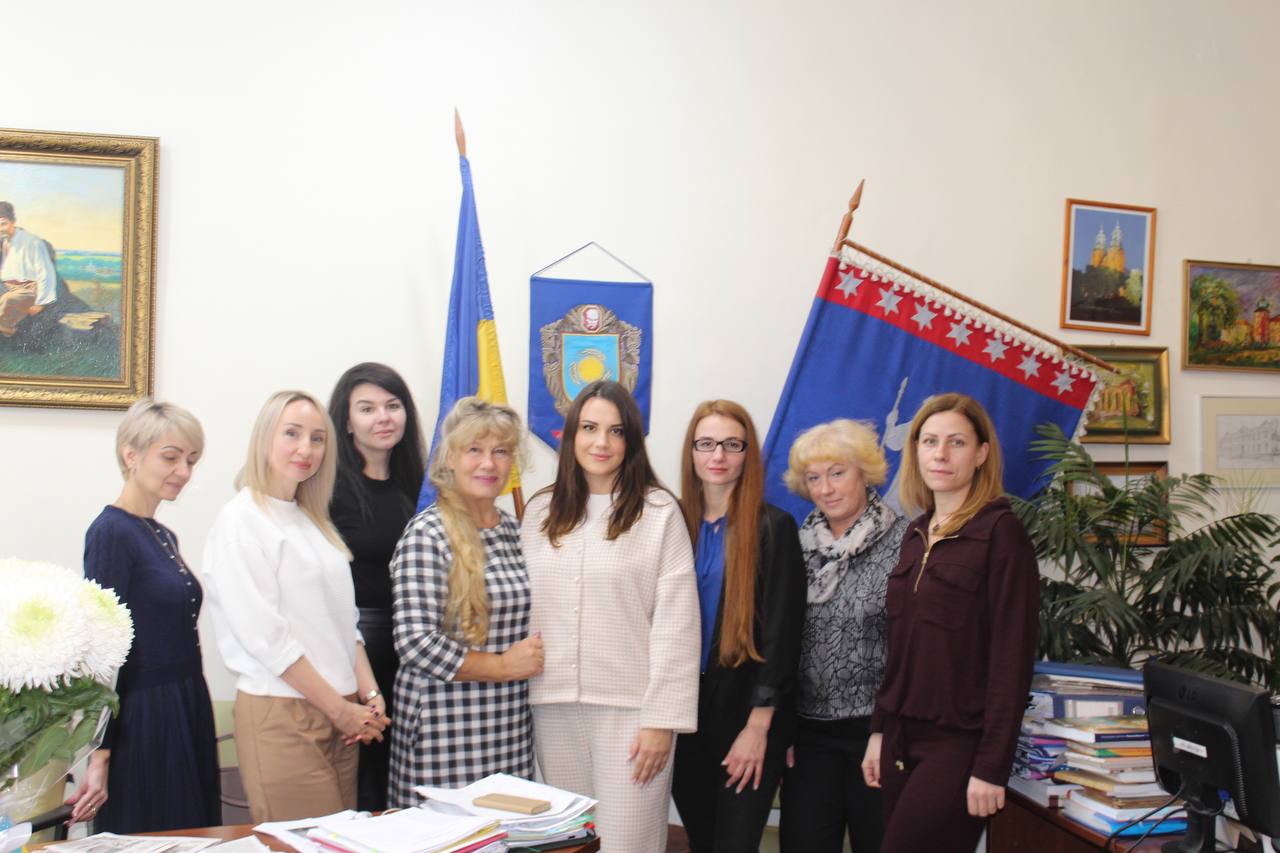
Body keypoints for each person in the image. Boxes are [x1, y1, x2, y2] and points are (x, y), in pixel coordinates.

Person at [521, 380, 700, 853]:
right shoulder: (539, 512)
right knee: (570, 843)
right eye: (589, 428)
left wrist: (662, 721)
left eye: (616, 431)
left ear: (631, 440)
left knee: (627, 843)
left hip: (632, 714)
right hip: (553, 707)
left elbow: (677, 625)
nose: (601, 442)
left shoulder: (659, 512)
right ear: (570, 435)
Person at [861, 393, 1039, 853]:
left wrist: (991, 766)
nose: (940, 454)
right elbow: (898, 649)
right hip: (900, 738)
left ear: (981, 454)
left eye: (956, 442)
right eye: (929, 441)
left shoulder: (1001, 534)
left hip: (959, 743)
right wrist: (879, 731)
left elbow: (1012, 660)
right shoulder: (914, 533)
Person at [202, 390, 389, 822]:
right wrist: (340, 710)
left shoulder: (310, 520)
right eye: (292, 434)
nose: (306, 449)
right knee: (304, 844)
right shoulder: (241, 521)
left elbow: (344, 624)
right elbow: (266, 639)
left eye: (317, 438)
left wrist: (370, 694)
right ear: (265, 438)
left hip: (342, 713)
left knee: (341, 842)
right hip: (284, 714)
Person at [70, 399, 220, 832]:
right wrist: (100, 754)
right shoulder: (110, 532)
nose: (183, 471)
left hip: (187, 703)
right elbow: (104, 651)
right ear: (131, 455)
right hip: (143, 715)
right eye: (171, 457)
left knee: (192, 833)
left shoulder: (162, 534)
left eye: (191, 460)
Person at [387, 397, 541, 804]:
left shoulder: (517, 532)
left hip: (507, 724)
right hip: (443, 728)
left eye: (501, 451)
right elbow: (415, 642)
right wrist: (502, 666)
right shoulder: (427, 534)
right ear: (450, 458)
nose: (488, 464)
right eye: (474, 450)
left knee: (507, 829)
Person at [670, 400, 806, 853]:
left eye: (732, 444)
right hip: (685, 714)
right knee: (702, 841)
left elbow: (783, 636)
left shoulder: (774, 527)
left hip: (747, 715)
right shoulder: (673, 525)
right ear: (691, 452)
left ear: (748, 454)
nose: (718, 456)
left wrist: (758, 728)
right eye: (706, 444)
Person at [777, 419, 909, 853]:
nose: (826, 489)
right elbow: (780, 641)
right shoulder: (795, 545)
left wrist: (886, 730)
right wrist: (782, 728)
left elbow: (912, 648)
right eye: (814, 478)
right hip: (808, 736)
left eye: (837, 473)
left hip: (878, 732)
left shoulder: (906, 542)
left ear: (864, 473)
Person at [328, 363, 426, 811]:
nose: (383, 417)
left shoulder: (422, 487)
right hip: (356, 655)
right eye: (367, 409)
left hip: (415, 654)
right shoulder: (328, 490)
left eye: (393, 405)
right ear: (347, 422)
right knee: (362, 791)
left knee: (405, 790)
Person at [0, 201, 57, 337]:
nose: (1, 229)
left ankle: (7, 328)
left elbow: (45, 272)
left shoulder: (32, 242)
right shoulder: (4, 242)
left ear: (13, 221)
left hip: (29, 291)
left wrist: (41, 303)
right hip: (8, 287)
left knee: (8, 299)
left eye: (3, 224)